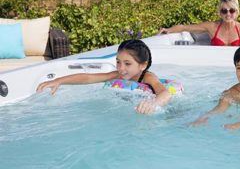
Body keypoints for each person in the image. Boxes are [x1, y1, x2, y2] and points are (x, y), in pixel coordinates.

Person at [36, 39, 171, 114]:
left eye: (127, 64)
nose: (121, 68)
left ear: (142, 65)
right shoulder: (117, 75)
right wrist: (59, 81)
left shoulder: (147, 77)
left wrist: (152, 104)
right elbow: (89, 78)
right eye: (118, 62)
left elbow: (165, 93)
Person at [158, 0, 240, 46]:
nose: (228, 14)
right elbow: (184, 27)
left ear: (237, 12)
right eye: (224, 11)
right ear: (220, 13)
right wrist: (168, 30)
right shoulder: (212, 27)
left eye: (232, 10)